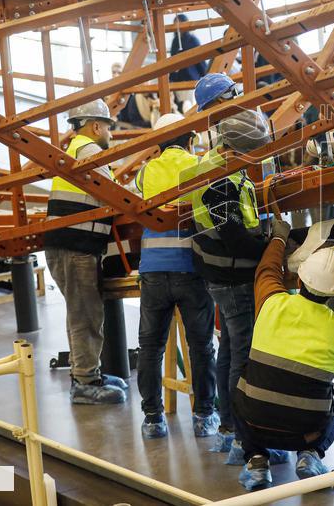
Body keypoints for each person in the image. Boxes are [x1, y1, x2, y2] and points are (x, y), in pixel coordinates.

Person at [189, 109, 276, 464]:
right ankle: (243, 437)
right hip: (232, 275)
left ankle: (228, 428)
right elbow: (235, 237)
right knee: (242, 355)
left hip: (220, 274)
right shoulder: (219, 178)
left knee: (229, 350)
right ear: (236, 149)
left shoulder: (215, 168)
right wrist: (273, 246)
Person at [234, 239, 334, 491]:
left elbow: (266, 270)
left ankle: (256, 461)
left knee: (244, 384)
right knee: (328, 399)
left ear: (299, 281)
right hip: (307, 431)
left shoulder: (271, 302)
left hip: (255, 425)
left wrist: (278, 238)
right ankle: (310, 455)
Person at [134, 113, 218, 440]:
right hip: (191, 268)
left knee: (150, 346)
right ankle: (204, 416)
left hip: (153, 269)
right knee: (201, 346)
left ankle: (153, 419)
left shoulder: (145, 172)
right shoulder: (197, 166)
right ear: (190, 139)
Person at [44, 99, 128, 405]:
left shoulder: (74, 149)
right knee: (85, 315)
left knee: (82, 312)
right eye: (107, 126)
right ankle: (85, 382)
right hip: (74, 247)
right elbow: (115, 194)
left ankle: (88, 373)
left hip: (67, 245)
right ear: (95, 126)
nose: (110, 132)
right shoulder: (90, 151)